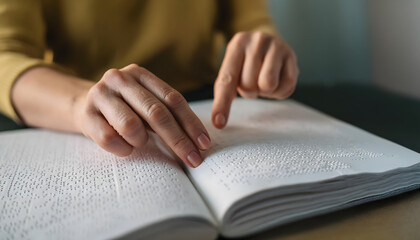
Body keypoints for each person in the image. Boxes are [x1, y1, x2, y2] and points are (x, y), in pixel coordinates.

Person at [0, 0, 298, 167]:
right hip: (85, 110)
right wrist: (81, 102)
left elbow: (251, 22)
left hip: (202, 102)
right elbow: (6, 55)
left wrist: (266, 50)